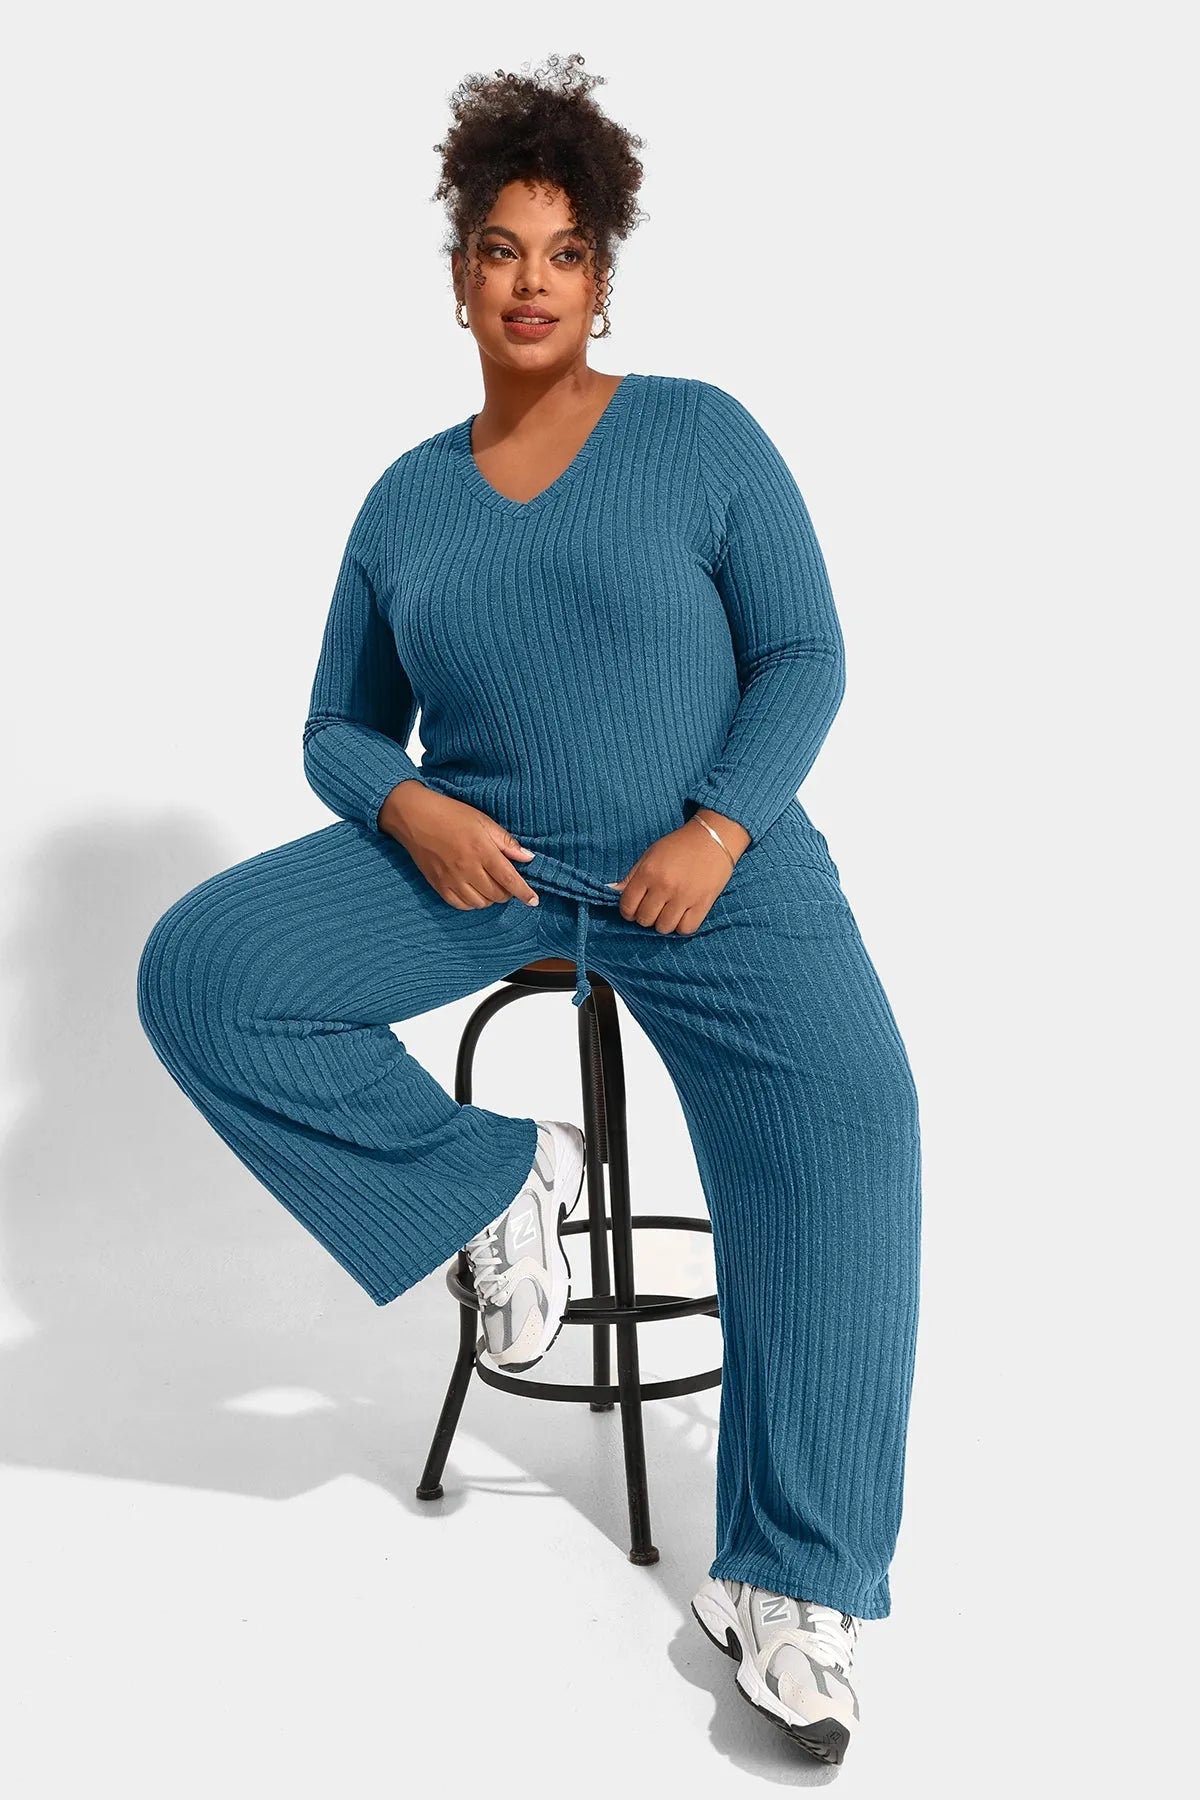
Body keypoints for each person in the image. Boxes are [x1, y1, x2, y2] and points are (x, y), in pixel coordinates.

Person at [136, 52, 921, 1768]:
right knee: (206, 972)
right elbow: (337, 725)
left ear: (603, 275)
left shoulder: (700, 435)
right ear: (458, 276)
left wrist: (719, 825)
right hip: (491, 870)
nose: (532, 281)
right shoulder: (406, 498)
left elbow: (804, 653)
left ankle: (792, 1584)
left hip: (715, 878)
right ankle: (499, 1186)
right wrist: (406, 804)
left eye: (565, 253)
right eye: (501, 250)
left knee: (853, 1133)